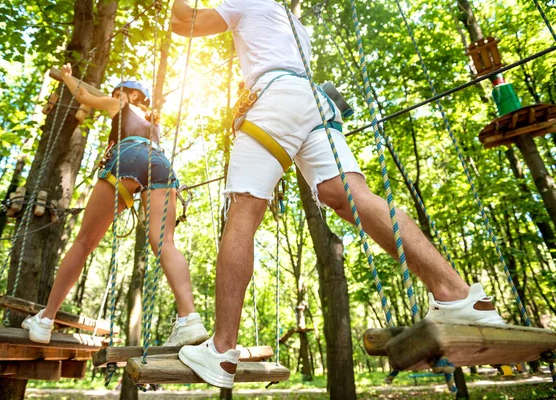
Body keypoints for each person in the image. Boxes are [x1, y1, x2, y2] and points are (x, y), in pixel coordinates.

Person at [171, 0, 505, 389]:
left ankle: (222, 350)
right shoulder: (291, 21)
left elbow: (185, 23)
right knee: (347, 194)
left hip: (275, 98)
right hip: (314, 102)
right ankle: (460, 296)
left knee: (243, 211)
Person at [21, 64, 209, 347]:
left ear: (129, 95)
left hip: (128, 157)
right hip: (160, 164)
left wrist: (67, 76)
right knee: (165, 243)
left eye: (119, 91)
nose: (114, 95)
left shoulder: (118, 104)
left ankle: (45, 320)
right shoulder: (153, 126)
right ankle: (190, 319)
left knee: (84, 243)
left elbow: (84, 95)